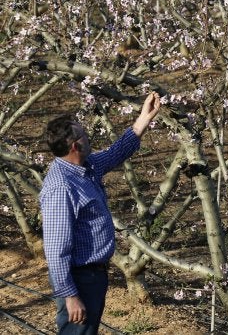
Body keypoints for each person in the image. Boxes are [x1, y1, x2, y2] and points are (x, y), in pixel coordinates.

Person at [40, 92, 161, 334]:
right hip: (78, 279)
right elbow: (55, 250)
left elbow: (117, 152)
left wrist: (143, 119)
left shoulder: (86, 167)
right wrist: (70, 295)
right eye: (84, 134)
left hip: (93, 275)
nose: (89, 136)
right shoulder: (61, 187)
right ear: (76, 145)